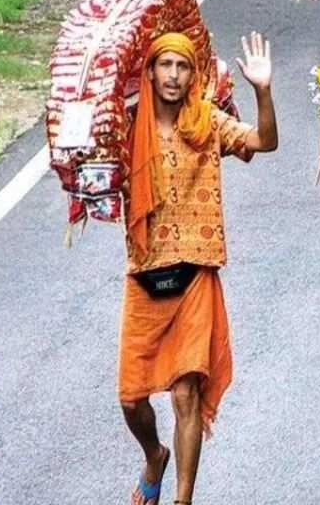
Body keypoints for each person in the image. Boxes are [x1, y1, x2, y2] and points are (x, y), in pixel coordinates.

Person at [122, 31, 278, 505]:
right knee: (131, 398)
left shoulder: (206, 121)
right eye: (164, 65)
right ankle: (155, 455)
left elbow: (263, 141)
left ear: (194, 75)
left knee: (186, 394)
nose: (173, 75)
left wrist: (262, 90)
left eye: (182, 66)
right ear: (149, 71)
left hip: (194, 273)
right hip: (145, 274)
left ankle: (182, 499)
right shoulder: (128, 124)